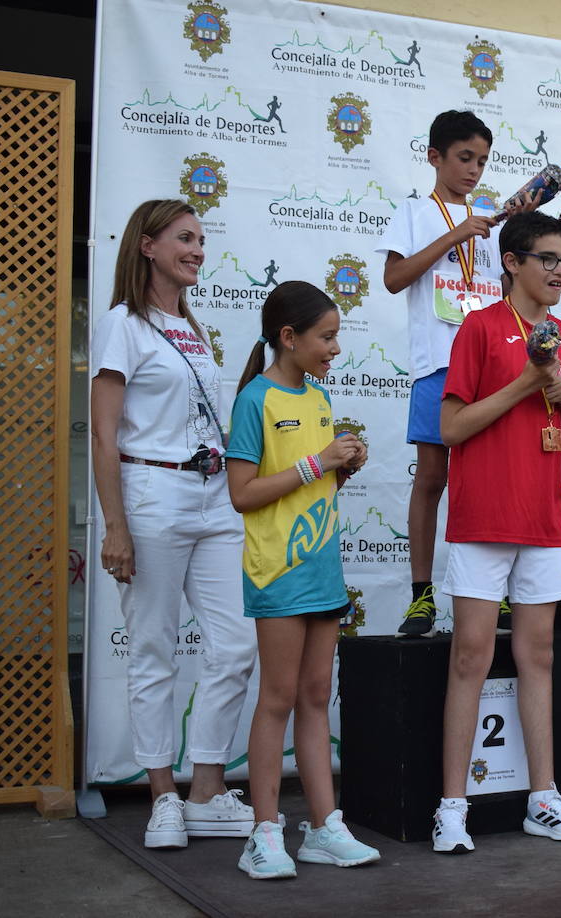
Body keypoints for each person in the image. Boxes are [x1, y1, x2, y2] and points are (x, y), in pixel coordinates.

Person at [90, 199, 258, 849]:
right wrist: (116, 525)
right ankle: (163, 795)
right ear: (147, 247)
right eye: (184, 239)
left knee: (236, 643)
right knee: (154, 648)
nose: (197, 249)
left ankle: (206, 788)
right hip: (150, 491)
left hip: (212, 496)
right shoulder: (120, 325)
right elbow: (105, 435)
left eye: (201, 240)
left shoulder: (192, 326)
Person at [432, 212, 561, 854]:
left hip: (543, 521)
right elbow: (451, 427)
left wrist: (555, 395)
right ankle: (452, 806)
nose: (560, 270)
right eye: (548, 259)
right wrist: (527, 382)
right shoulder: (480, 327)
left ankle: (543, 797)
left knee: (539, 656)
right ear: (512, 262)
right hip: (482, 520)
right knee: (470, 656)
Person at [226, 281, 379, 878]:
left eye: (337, 335)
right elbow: (243, 494)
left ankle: (324, 827)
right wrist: (318, 462)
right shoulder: (254, 400)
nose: (335, 348)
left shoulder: (317, 400)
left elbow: (308, 488)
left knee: (316, 699)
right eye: (327, 336)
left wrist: (339, 471)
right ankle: (264, 835)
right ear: (288, 338)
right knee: (279, 700)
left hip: (323, 570)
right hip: (278, 572)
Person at [378, 110, 531, 638]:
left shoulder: (491, 220)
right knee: (433, 477)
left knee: (485, 479)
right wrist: (457, 233)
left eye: (483, 161)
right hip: (438, 365)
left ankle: (494, 592)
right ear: (434, 156)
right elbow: (394, 278)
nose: (474, 170)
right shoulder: (415, 212)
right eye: (465, 158)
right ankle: (422, 594)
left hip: (489, 366)